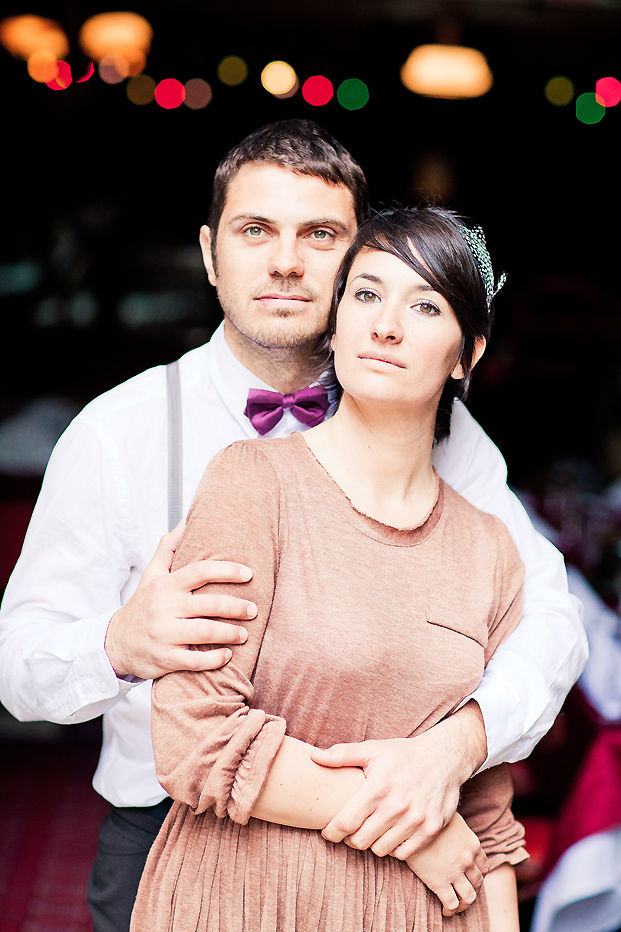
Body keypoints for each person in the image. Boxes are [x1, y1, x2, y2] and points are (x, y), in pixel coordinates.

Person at [0, 120, 586, 932]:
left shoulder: (446, 435)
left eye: (319, 235)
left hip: (407, 834)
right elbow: (18, 669)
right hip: (174, 831)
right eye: (254, 231)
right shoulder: (118, 429)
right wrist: (118, 644)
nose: (285, 260)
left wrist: (453, 748)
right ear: (211, 255)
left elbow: (550, 620)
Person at [130, 205, 529, 931]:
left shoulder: (490, 548)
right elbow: (196, 737)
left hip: (430, 914)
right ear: (336, 323)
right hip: (251, 898)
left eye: (425, 305)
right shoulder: (254, 483)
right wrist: (421, 833)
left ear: (466, 353)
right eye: (367, 294)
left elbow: (488, 823)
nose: (385, 326)